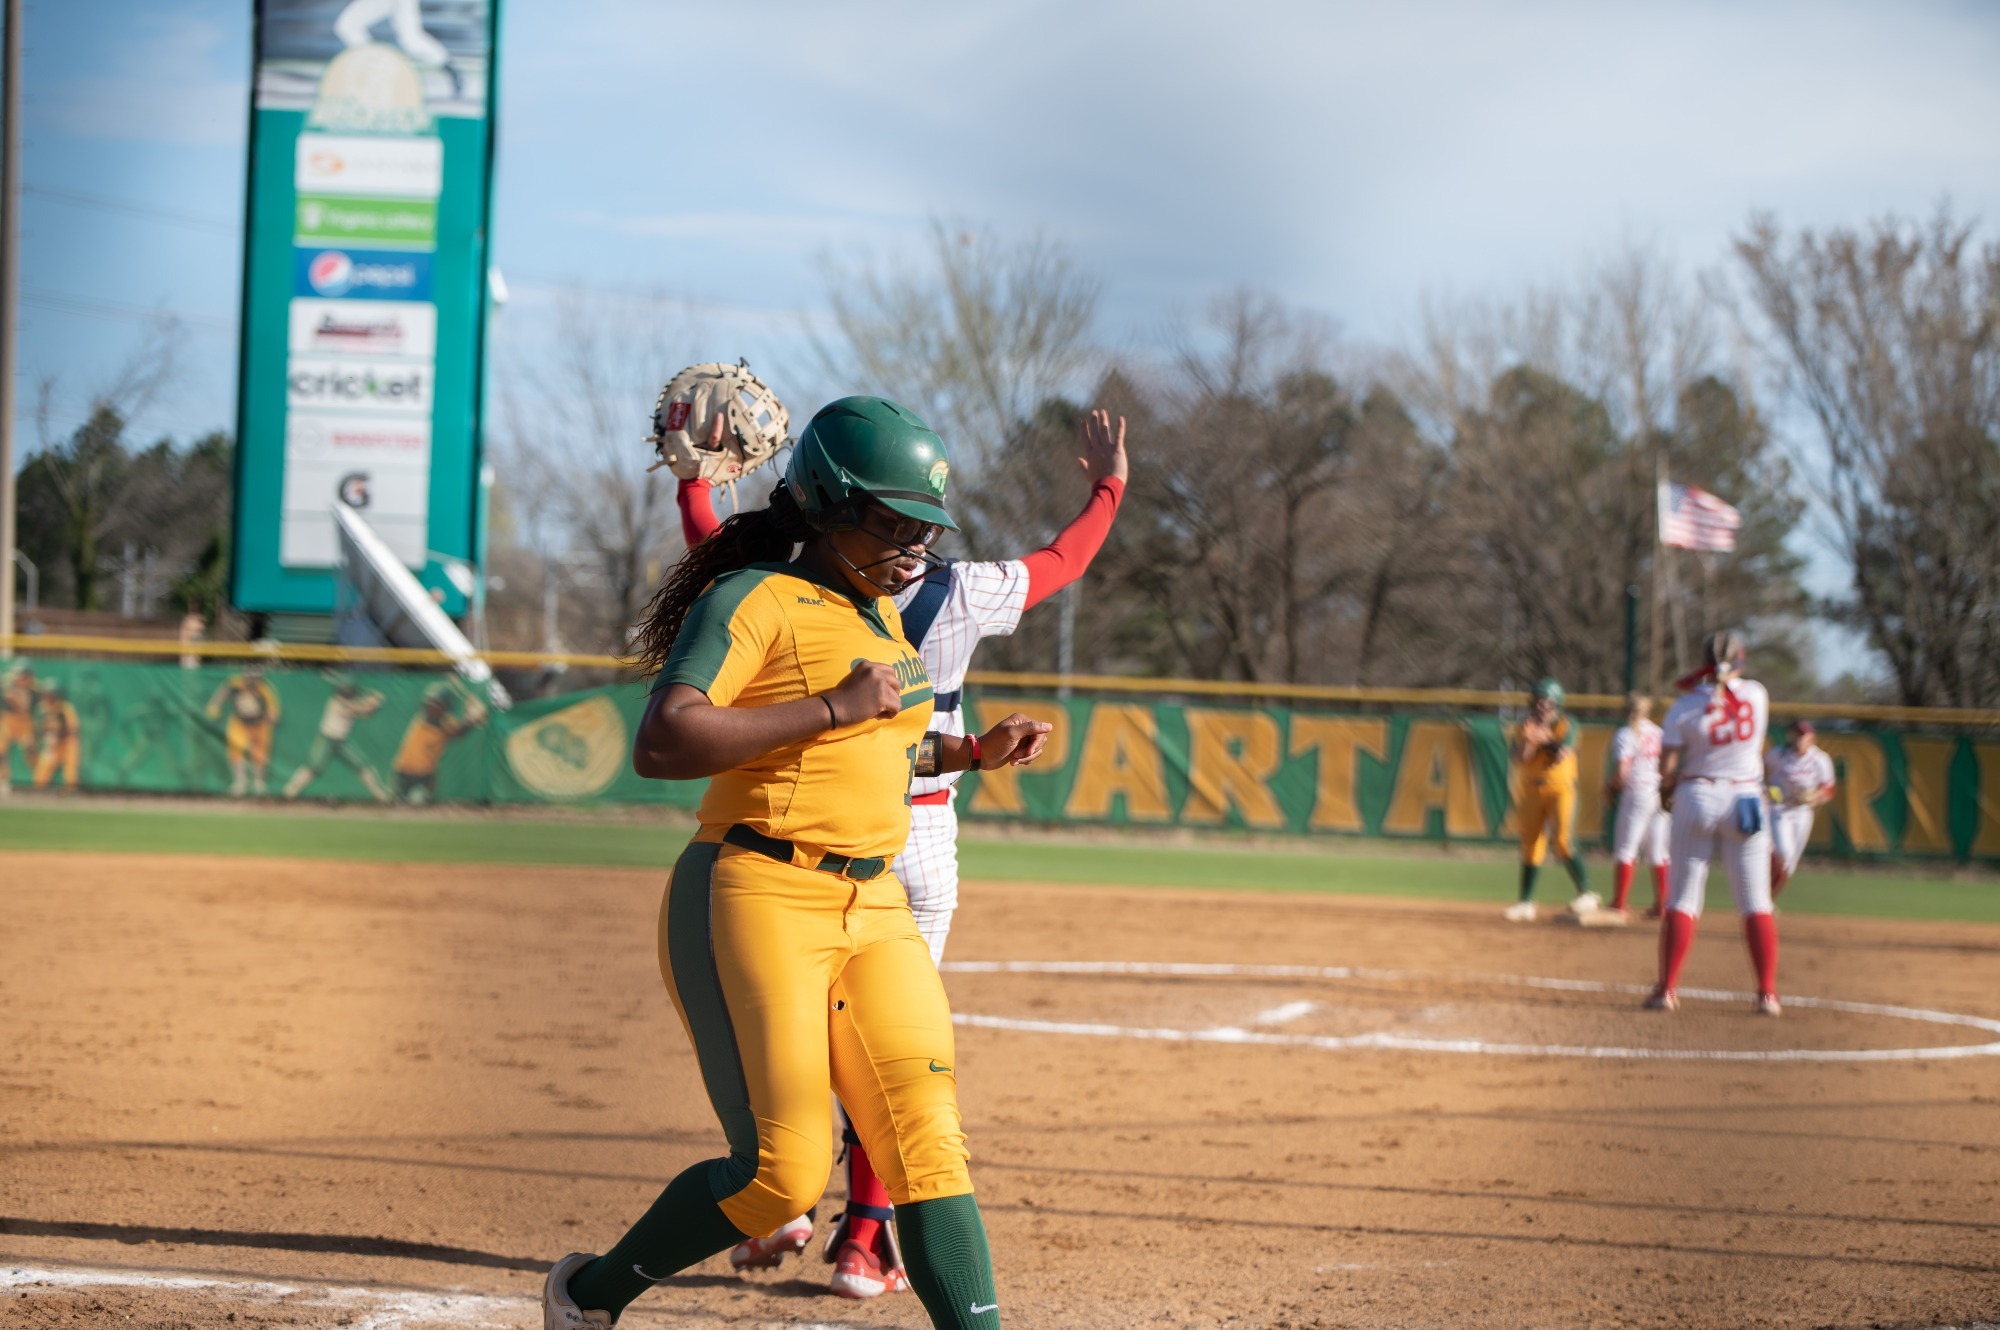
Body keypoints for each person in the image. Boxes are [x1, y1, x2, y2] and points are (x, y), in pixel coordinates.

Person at [543, 395, 1051, 1330]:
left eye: (924, 528)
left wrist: (971, 753)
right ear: (823, 506)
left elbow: (881, 750)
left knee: (928, 1149)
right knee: (779, 1179)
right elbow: (663, 739)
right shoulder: (752, 598)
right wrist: (831, 709)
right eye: (892, 521)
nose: (914, 546)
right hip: (753, 891)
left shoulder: (881, 624)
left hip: (875, 904)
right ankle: (589, 1297)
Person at [686, 407, 1130, 1297]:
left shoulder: (790, 579)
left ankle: (783, 1201)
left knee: (795, 1032)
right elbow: (1065, 562)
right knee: (891, 1052)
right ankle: (862, 1242)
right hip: (919, 830)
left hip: (810, 815)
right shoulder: (961, 590)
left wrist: (698, 484)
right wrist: (1109, 487)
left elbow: (723, 569)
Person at [1648, 630, 1780, 1016]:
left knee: (1683, 899)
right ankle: (1767, 994)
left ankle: (1667, 990)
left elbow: (1667, 767)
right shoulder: (1757, 694)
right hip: (1745, 797)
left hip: (1697, 796)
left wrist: (1664, 790)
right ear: (1742, 659)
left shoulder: (1684, 707)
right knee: (1756, 902)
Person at [1503, 677, 1595, 922]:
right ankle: (1525, 902)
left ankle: (1585, 893)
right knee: (1531, 845)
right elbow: (1521, 757)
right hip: (1532, 789)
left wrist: (1545, 739)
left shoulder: (1567, 723)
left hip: (1560, 789)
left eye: (1546, 701)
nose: (1541, 706)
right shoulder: (1527, 725)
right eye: (1537, 701)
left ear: (1556, 702)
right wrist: (1531, 738)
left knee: (1563, 841)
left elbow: (1562, 754)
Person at [1605, 692, 1670, 919]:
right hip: (1659, 793)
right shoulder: (1659, 733)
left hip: (1637, 793)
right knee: (1658, 851)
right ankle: (1663, 904)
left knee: (1626, 849)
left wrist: (1612, 787)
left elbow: (1623, 771)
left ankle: (1619, 903)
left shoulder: (1626, 733)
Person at [285, 674, 390, 802]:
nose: (343, 692)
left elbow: (366, 715)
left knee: (362, 766)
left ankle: (379, 795)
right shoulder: (337, 701)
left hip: (343, 742)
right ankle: (290, 792)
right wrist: (374, 701)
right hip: (326, 739)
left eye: (346, 691)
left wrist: (374, 704)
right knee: (313, 767)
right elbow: (358, 710)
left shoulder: (350, 700)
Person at [1764, 720, 1835, 895]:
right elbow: (1759, 772)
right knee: (1784, 853)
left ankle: (1767, 900)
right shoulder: (1776, 755)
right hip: (1779, 809)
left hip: (1802, 812)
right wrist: (1767, 790)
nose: (1799, 738)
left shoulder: (1820, 759)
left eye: (1803, 735)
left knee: (1790, 865)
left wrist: (1814, 797)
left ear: (1812, 738)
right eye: (1796, 734)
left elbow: (1828, 789)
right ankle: (1760, 901)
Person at [390, 682, 486, 804]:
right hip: (404, 772)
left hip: (425, 776)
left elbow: (460, 732)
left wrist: (471, 718)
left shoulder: (446, 721)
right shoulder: (425, 719)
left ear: (446, 707)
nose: (430, 706)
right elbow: (455, 730)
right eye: (429, 702)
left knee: (420, 804)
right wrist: (471, 717)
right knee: (400, 804)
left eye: (437, 703)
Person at [206, 666, 282, 797]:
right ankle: (240, 782)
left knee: (260, 753)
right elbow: (222, 693)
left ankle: (259, 783)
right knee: (235, 749)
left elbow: (274, 713)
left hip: (259, 724)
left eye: (255, 678)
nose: (252, 681)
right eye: (249, 677)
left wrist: (270, 715)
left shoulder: (265, 689)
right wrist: (214, 706)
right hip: (240, 723)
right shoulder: (235, 684)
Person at [32, 682, 82, 791]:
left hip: (68, 743)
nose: (46, 697)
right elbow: (39, 727)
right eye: (45, 695)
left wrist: (57, 734)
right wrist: (47, 736)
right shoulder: (42, 708)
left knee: (70, 769)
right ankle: (38, 792)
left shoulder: (66, 709)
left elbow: (73, 730)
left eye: (49, 695)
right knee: (43, 769)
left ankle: (71, 792)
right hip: (53, 744)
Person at [1, 664, 36, 794]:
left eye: (24, 677)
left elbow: (24, 707)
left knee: (30, 749)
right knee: (2, 751)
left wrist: (15, 697)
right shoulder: (7, 687)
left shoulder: (33, 691)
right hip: (8, 721)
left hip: (24, 722)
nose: (21, 680)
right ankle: (3, 781)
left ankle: (38, 780)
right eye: (20, 676)